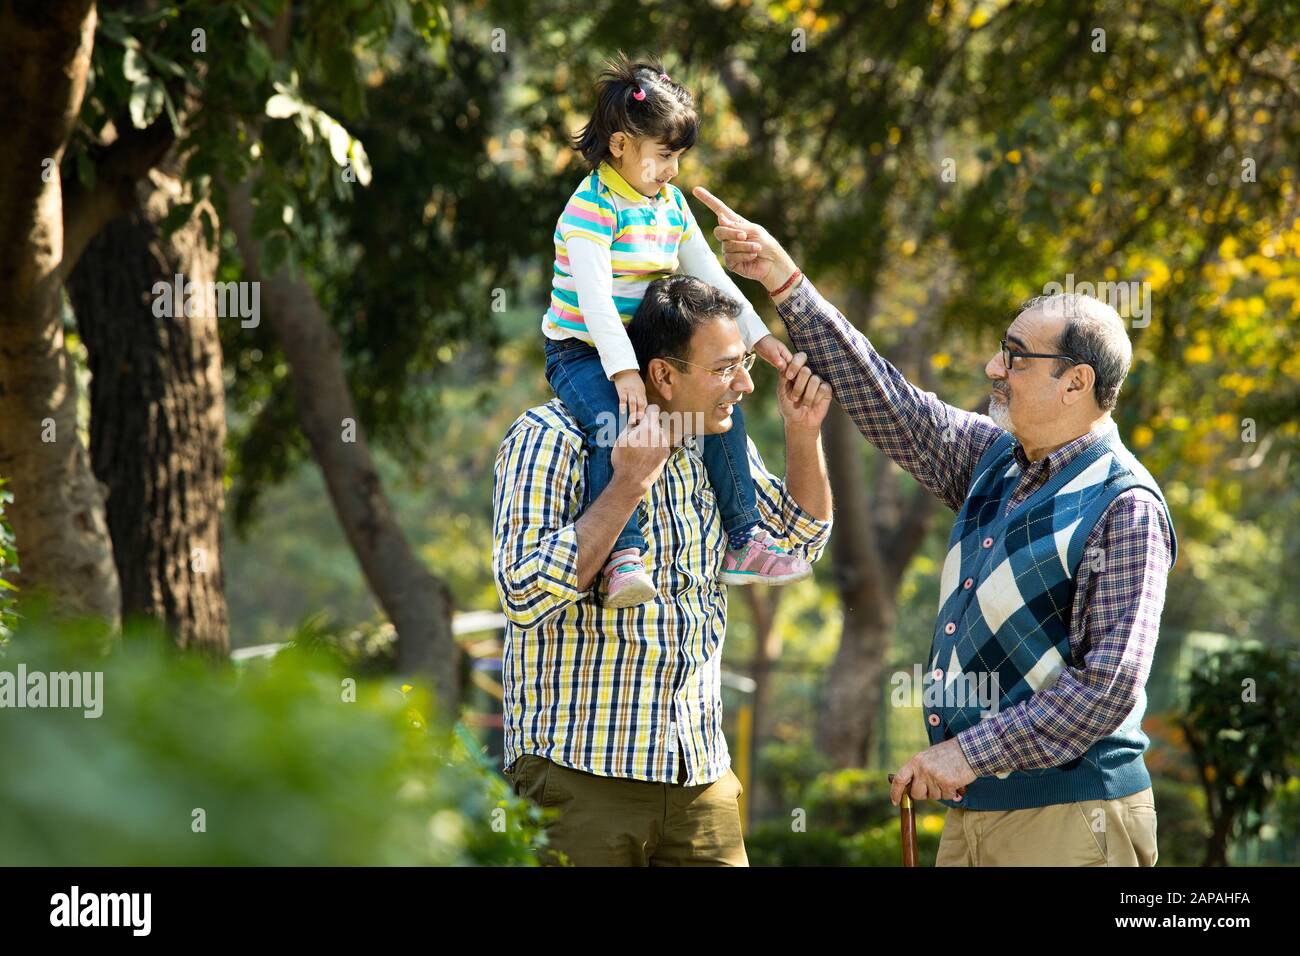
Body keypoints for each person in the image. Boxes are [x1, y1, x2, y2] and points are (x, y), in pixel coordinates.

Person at [693, 185, 1177, 867]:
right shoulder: (994, 458)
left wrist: (967, 752)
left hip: (1075, 820)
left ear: (1076, 384)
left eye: (1015, 356)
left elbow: (1107, 689)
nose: (993, 369)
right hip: (975, 812)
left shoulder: (1124, 506)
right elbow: (885, 398)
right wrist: (785, 281)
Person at [493, 275, 834, 865]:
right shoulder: (547, 439)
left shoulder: (717, 444)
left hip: (701, 779)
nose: (746, 385)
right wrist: (627, 484)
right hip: (582, 779)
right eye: (726, 367)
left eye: (746, 363)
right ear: (663, 376)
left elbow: (801, 542)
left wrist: (803, 435)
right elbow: (522, 593)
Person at [541, 53, 808, 607]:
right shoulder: (589, 210)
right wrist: (624, 376)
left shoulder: (671, 206)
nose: (673, 170)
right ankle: (622, 558)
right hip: (582, 351)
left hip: (644, 349)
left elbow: (712, 279)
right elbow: (595, 305)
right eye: (664, 156)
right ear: (620, 145)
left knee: (720, 409)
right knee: (616, 424)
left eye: (679, 156)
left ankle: (744, 540)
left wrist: (759, 339)